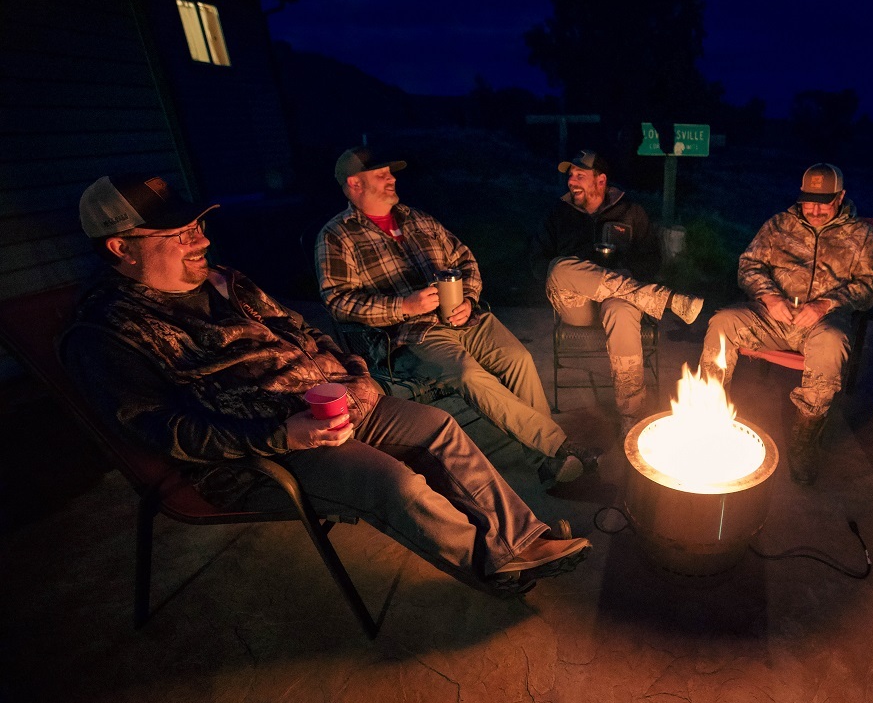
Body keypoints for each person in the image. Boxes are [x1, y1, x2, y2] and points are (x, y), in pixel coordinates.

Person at [66, 173, 591, 599]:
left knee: (439, 426)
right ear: (122, 248)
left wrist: (353, 372)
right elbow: (162, 430)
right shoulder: (110, 330)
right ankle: (492, 568)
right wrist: (281, 435)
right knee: (398, 484)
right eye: (178, 235)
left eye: (198, 226)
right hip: (266, 447)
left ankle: (520, 539)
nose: (200, 240)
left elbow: (301, 327)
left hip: (334, 398)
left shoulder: (227, 280)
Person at [316, 147, 596, 490]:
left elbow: (466, 261)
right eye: (381, 174)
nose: (392, 178)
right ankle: (557, 448)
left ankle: (547, 464)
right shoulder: (337, 236)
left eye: (391, 172)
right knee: (468, 373)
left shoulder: (418, 220)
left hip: (465, 317)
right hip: (414, 333)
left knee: (519, 358)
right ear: (354, 184)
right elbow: (338, 302)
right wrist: (403, 306)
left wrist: (469, 296)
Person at [698, 163, 873, 484]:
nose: (812, 209)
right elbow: (748, 265)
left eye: (822, 202)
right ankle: (707, 415)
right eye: (807, 200)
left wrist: (827, 303)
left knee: (832, 344)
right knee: (722, 323)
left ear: (840, 197)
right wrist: (769, 297)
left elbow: (872, 285)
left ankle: (803, 443)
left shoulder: (860, 235)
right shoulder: (779, 226)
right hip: (773, 318)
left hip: (823, 323)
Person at [532, 150, 704, 434]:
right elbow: (538, 261)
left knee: (621, 310)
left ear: (601, 180)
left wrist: (626, 272)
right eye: (570, 176)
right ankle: (665, 299)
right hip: (578, 304)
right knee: (558, 269)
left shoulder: (630, 211)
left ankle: (632, 417)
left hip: (620, 298)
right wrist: (574, 274)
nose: (571, 182)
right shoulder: (558, 214)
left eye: (579, 176)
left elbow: (651, 258)